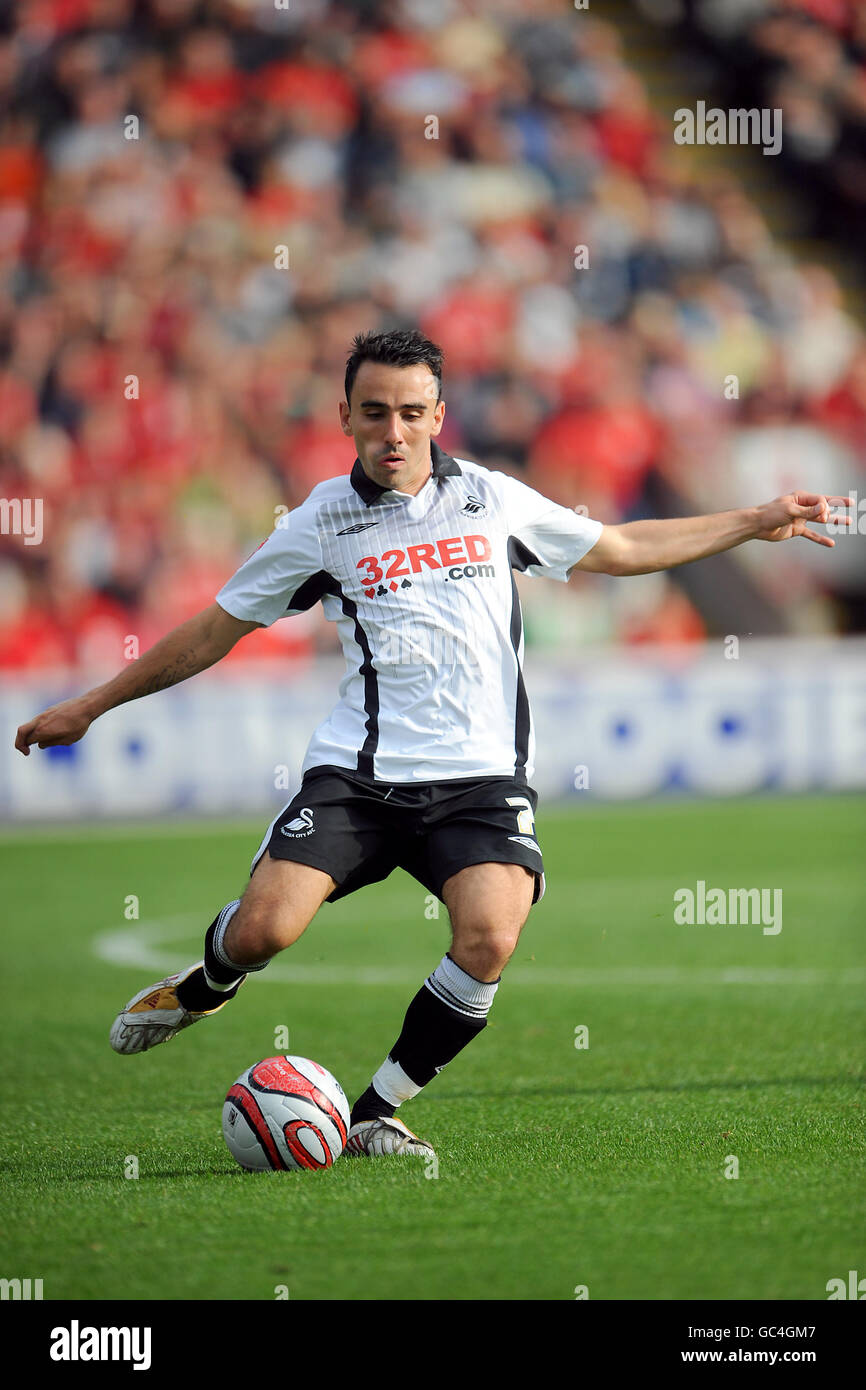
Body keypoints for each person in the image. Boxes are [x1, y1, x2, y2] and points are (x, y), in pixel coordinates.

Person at [14, 328, 851, 1161]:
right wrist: (93, 705)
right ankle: (211, 981)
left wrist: (753, 519)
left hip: (481, 782)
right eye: (375, 413)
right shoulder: (317, 524)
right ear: (344, 415)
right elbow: (214, 630)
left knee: (490, 937)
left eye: (412, 413)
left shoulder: (492, 499)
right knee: (265, 932)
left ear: (440, 414)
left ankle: (376, 1110)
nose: (394, 432)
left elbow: (621, 547)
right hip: (361, 776)